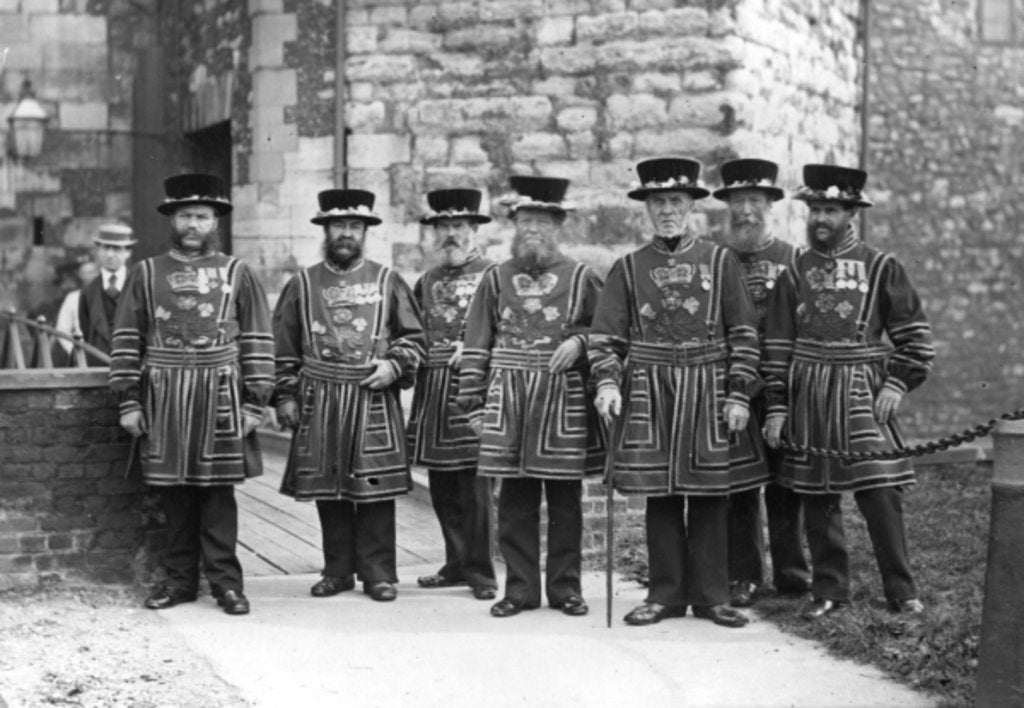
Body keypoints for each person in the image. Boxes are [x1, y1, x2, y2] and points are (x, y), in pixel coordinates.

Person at [589, 157, 761, 628]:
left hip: (708, 385)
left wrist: (739, 393)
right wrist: (607, 382)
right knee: (660, 496)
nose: (667, 210)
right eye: (658, 202)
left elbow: (744, 333)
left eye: (676, 201)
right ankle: (664, 595)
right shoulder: (627, 268)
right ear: (646, 208)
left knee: (710, 494)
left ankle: (711, 596)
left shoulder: (720, 260)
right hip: (648, 387)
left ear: (691, 207)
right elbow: (605, 337)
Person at [762, 164, 935, 619]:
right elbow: (777, 345)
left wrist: (897, 383)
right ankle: (830, 589)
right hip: (810, 394)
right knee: (818, 497)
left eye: (831, 210)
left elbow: (916, 337)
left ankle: (902, 590)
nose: (821, 218)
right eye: (815, 209)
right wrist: (777, 407)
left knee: (880, 492)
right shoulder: (794, 271)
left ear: (850, 214)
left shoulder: (881, 267)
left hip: (862, 391)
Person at [110, 173, 274, 616]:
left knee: (218, 495)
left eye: (202, 216)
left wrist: (256, 402)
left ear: (214, 220)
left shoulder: (238, 273)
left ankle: (227, 586)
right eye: (185, 215)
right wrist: (129, 399)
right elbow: (127, 337)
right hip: (164, 394)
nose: (193, 224)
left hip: (220, 392)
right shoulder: (146, 272)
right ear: (173, 220)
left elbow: (259, 337)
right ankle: (180, 583)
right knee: (174, 496)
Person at [456, 175, 603, 618]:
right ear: (514, 225)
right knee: (515, 501)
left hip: (562, 399)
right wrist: (474, 404)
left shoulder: (581, 277)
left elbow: (606, 333)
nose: (532, 229)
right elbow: (477, 341)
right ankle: (519, 589)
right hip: (509, 400)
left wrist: (579, 343)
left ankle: (565, 589)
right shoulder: (495, 278)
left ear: (558, 224)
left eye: (542, 221)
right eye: (525, 221)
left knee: (564, 500)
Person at [273, 188, 425, 603]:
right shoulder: (302, 284)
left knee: (373, 489)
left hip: (370, 395)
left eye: (354, 226)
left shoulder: (387, 280)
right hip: (319, 396)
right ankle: (337, 570)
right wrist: (284, 396)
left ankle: (378, 574)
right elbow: (283, 347)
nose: (346, 233)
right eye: (338, 225)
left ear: (364, 231)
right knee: (330, 488)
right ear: (325, 229)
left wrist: (394, 365)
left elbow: (415, 337)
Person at [713, 159, 811, 607]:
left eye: (755, 200)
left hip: (783, 385)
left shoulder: (793, 259)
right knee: (739, 486)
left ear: (771, 206)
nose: (746, 210)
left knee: (786, 481)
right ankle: (744, 575)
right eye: (738, 201)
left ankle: (792, 574)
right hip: (732, 388)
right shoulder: (716, 259)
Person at [407, 188, 499, 600]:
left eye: (458, 226)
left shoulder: (495, 276)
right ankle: (456, 562)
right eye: (443, 227)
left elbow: (511, 329)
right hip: (433, 388)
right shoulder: (425, 281)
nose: (450, 235)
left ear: (474, 229)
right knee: (442, 485)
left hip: (475, 387)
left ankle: (482, 571)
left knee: (475, 485)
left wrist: (478, 348)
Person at [78, 223, 136, 363]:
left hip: (130, 366)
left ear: (128, 252)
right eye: (105, 248)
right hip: (97, 365)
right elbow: (87, 330)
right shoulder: (88, 292)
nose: (110, 254)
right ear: (98, 250)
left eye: (116, 248)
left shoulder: (138, 287)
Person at [53, 257, 100, 363]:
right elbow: (62, 330)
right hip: (81, 353)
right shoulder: (73, 298)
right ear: (80, 275)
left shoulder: (109, 296)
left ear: (98, 274)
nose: (89, 276)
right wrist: (75, 352)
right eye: (84, 273)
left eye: (92, 272)